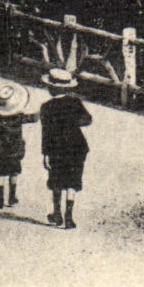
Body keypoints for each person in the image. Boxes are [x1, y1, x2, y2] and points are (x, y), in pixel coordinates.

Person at [39, 68, 92, 229]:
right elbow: (88, 119)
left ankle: (57, 214)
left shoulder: (46, 107)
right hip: (77, 146)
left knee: (56, 179)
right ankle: (69, 217)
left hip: (56, 148)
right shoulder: (75, 102)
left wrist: (45, 153)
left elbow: (46, 132)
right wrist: (72, 123)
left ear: (52, 88)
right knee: (73, 180)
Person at [0, 84, 37, 210]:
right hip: (15, 148)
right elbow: (33, 118)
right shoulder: (19, 116)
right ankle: (12, 198)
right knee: (14, 173)